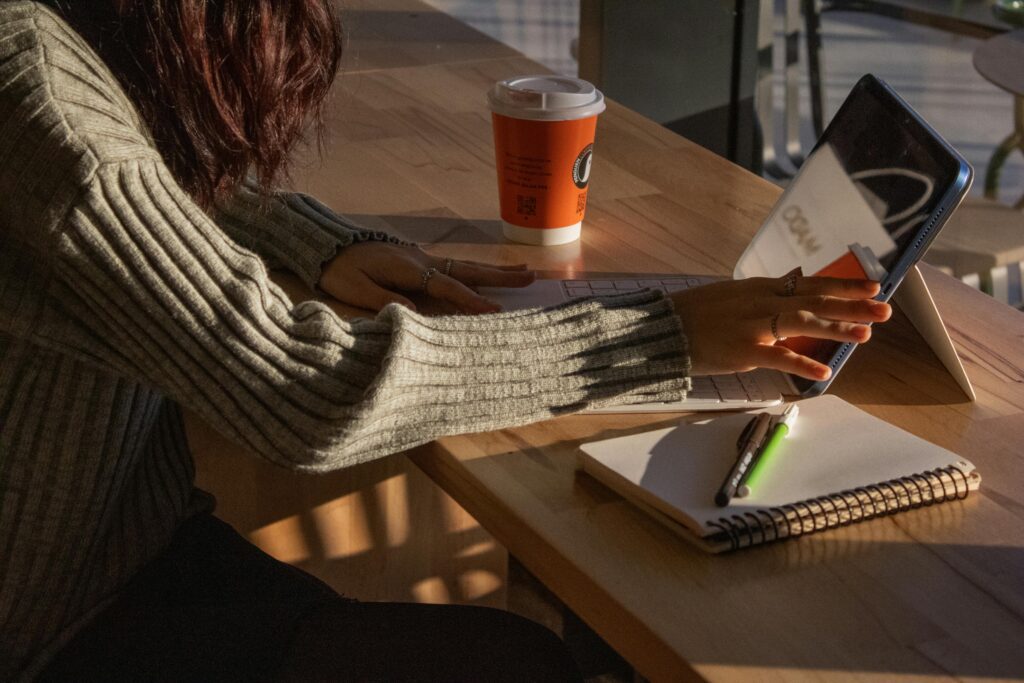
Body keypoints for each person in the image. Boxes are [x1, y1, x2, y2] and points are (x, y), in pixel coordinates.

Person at [0, 0, 891, 680]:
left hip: (116, 553)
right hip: (65, 622)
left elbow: (137, 157)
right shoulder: (26, 78)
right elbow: (311, 391)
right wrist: (666, 333)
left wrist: (323, 241)